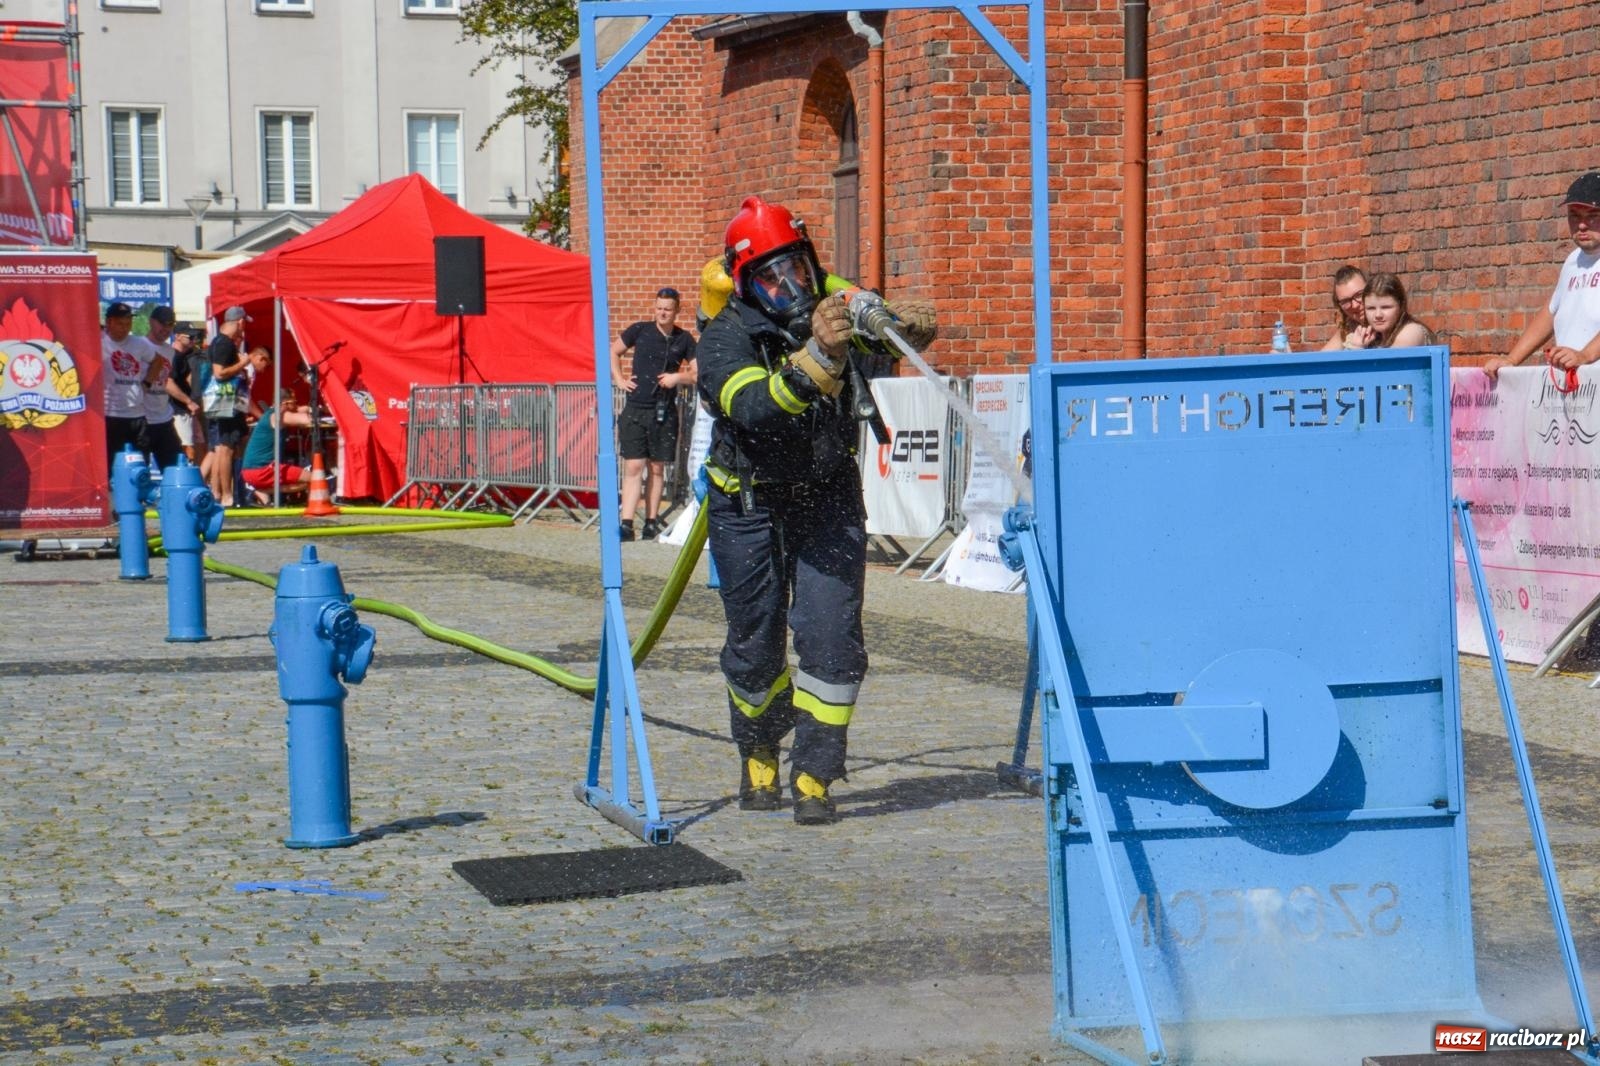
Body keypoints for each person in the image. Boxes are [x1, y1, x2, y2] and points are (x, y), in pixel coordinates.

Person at [695, 195, 936, 825]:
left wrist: (896, 326)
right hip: (747, 506)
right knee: (755, 645)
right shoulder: (725, 338)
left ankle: (815, 774)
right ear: (746, 284)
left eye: (798, 268)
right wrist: (818, 361)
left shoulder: (834, 313)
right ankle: (759, 753)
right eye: (771, 278)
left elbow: (895, 349)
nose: (790, 287)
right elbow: (753, 407)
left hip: (827, 498)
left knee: (832, 638)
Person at [1484, 172, 1600, 381]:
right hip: (1576, 394)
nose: (1582, 225)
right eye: (1574, 215)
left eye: (1593, 216)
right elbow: (1550, 312)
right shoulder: (1573, 260)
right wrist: (1511, 360)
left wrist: (1585, 355)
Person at [610, 287, 697, 541]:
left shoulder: (684, 339)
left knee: (657, 468)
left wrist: (676, 377)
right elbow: (614, 351)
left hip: (664, 410)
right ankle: (626, 523)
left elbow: (696, 373)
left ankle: (651, 521)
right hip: (636, 407)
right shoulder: (639, 330)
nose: (662, 313)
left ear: (676, 311)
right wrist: (619, 379)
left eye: (668, 309)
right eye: (659, 308)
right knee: (634, 465)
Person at [101, 301, 165, 476]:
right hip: (110, 414)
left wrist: (146, 383)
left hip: (137, 415)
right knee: (110, 465)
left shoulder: (138, 343)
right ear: (109, 323)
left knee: (139, 465)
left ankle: (138, 498)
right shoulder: (99, 343)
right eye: (120, 323)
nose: (125, 328)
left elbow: (158, 361)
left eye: (128, 323)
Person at [203, 306, 253, 507]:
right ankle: (227, 495)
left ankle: (217, 492)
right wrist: (243, 363)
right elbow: (219, 373)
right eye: (244, 324)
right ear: (239, 322)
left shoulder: (219, 342)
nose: (244, 329)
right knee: (225, 449)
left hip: (224, 404)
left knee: (221, 449)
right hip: (225, 405)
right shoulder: (224, 344)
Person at [137, 306, 190, 471]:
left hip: (164, 419)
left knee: (175, 469)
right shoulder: (139, 345)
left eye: (170, 325)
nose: (166, 329)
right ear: (152, 322)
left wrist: (188, 401)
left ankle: (172, 497)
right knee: (140, 473)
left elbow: (166, 381)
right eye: (163, 324)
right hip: (142, 419)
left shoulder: (169, 351)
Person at [239, 390, 314, 504]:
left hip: (250, 471)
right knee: (315, 479)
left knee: (307, 482)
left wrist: (309, 408)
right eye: (294, 402)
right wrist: (315, 412)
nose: (295, 405)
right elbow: (306, 419)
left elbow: (299, 410)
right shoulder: (281, 416)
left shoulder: (271, 413)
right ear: (285, 403)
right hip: (262, 470)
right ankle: (262, 491)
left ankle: (261, 491)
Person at [1360, 272, 1434, 348]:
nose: (1378, 315)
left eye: (1386, 307)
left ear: (1401, 305)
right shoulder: (1373, 338)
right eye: (1371, 308)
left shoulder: (1410, 332)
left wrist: (1357, 350)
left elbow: (1391, 359)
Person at [168, 323, 207, 466]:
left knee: (199, 444)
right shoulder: (174, 356)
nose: (193, 339)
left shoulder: (185, 356)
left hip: (187, 409)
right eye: (189, 336)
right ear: (177, 336)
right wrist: (188, 402)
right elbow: (168, 383)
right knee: (188, 446)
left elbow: (187, 380)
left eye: (195, 336)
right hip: (178, 409)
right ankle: (186, 478)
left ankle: (200, 479)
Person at [1319, 264, 1370, 350]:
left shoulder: (1389, 325)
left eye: (1359, 295)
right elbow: (1320, 360)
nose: (1355, 305)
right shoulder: (1347, 330)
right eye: (1346, 301)